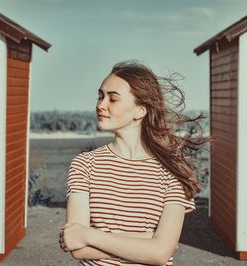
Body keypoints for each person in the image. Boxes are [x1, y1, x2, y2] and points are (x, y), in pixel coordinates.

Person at [59, 61, 212, 265]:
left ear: (140, 111)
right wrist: (148, 241)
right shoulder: (84, 164)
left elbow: (160, 254)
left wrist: (88, 235)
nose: (100, 105)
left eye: (112, 98)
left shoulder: (172, 170)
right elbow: (76, 247)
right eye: (100, 96)